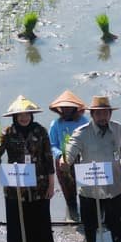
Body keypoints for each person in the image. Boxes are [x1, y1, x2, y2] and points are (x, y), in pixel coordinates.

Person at [65, 94, 121, 242]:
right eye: (99, 114)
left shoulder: (118, 129)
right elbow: (71, 150)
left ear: (110, 113)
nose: (103, 117)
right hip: (90, 188)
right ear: (92, 115)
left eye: (106, 113)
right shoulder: (82, 133)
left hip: (113, 187)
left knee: (115, 222)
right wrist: (65, 160)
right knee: (90, 224)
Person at [0, 95, 58, 242]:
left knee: (39, 218)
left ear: (32, 115)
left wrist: (51, 184)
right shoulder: (7, 133)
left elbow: (48, 158)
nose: (24, 118)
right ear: (15, 117)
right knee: (17, 220)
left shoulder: (40, 131)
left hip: (39, 183)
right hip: (15, 184)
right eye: (20, 115)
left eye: (27, 114)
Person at [48, 89, 89, 217]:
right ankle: (72, 214)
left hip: (81, 158)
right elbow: (52, 145)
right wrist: (60, 156)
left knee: (86, 190)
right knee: (68, 192)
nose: (66, 110)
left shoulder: (84, 122)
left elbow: (89, 141)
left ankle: (87, 216)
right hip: (63, 160)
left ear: (75, 108)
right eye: (63, 108)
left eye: (69, 107)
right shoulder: (55, 124)